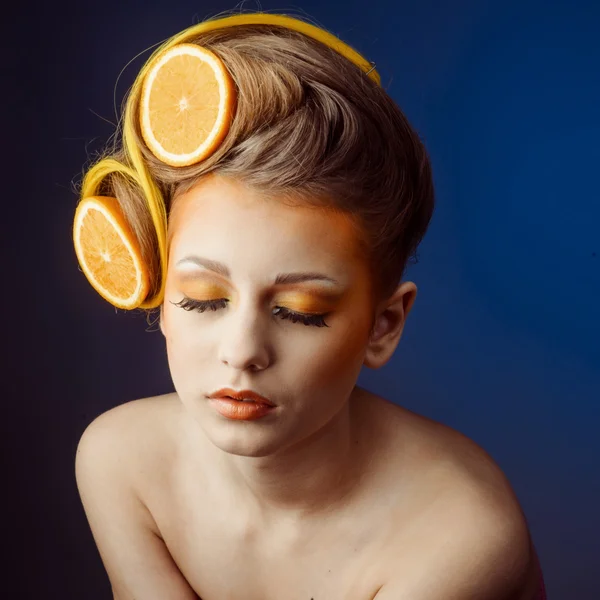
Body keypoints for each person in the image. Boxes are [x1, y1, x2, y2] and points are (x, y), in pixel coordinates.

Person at [74, 11, 546, 600]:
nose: (242, 352)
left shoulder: (459, 533)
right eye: (202, 300)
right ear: (162, 299)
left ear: (384, 324)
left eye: (299, 310)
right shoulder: (120, 462)